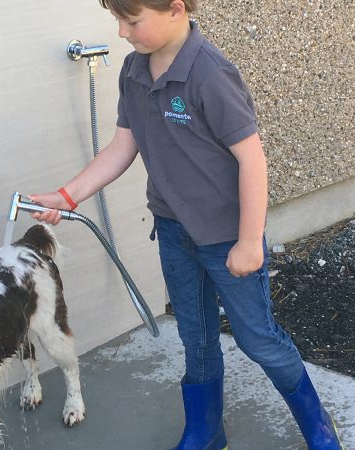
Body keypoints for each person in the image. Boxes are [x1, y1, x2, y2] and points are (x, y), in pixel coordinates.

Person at [29, 1, 344, 449]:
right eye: (117, 20)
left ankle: (317, 425)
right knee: (195, 338)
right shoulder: (134, 72)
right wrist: (67, 196)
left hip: (228, 238)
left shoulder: (211, 74)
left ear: (176, 9)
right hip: (175, 233)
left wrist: (251, 240)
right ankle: (206, 431)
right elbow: (123, 145)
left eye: (131, 21)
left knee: (258, 340)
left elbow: (251, 159)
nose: (121, 32)